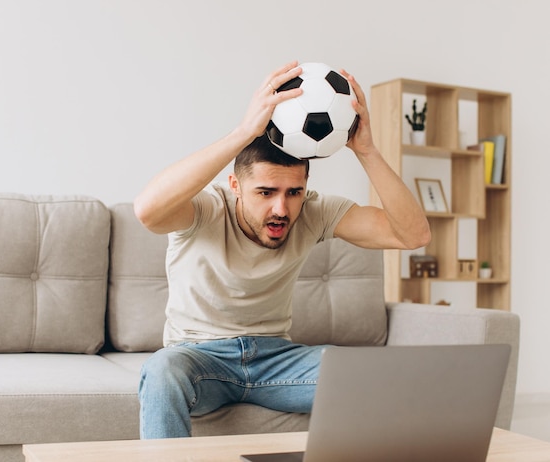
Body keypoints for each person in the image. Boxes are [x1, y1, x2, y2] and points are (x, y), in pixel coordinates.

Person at [133, 61, 431, 439]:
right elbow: (146, 211)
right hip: (200, 358)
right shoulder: (205, 209)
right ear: (235, 186)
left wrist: (367, 151)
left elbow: (413, 235)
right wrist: (243, 132)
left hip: (277, 360)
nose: (281, 209)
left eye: (294, 192)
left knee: (369, 374)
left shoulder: (314, 211)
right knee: (161, 371)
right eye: (265, 192)